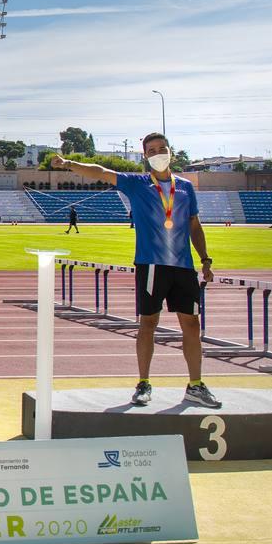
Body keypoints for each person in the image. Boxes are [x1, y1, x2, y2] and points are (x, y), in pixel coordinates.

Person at [52, 133, 220, 408]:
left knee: (191, 325)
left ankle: (196, 385)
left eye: (162, 148)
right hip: (151, 265)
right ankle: (143, 383)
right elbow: (102, 172)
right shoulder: (137, 183)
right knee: (148, 324)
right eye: (151, 150)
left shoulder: (187, 187)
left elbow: (194, 224)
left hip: (183, 267)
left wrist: (205, 259)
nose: (158, 153)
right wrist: (69, 163)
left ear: (170, 152)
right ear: (144, 155)